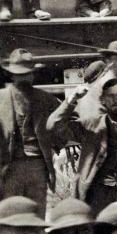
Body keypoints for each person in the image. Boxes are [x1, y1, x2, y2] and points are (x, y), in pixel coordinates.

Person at [47, 76, 117, 212]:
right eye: (110, 96)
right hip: (98, 195)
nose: (115, 100)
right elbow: (53, 126)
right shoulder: (91, 126)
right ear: (102, 100)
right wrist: (71, 100)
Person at [0, 49, 59, 215]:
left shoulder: (45, 99)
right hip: (9, 166)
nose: (24, 78)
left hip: (38, 166)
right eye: (20, 74)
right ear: (11, 75)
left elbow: (63, 121)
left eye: (28, 74)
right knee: (9, 214)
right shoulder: (1, 99)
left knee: (36, 213)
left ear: (33, 75)